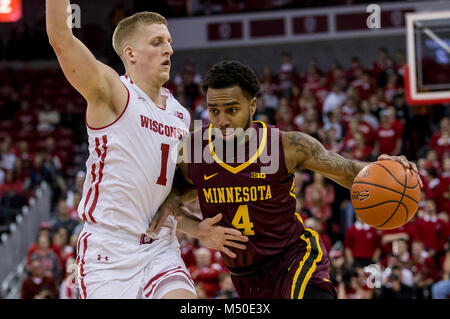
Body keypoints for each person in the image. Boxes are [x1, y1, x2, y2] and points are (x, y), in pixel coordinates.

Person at [148, 60, 421, 299]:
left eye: (232, 110)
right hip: (244, 276)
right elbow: (171, 199)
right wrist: (199, 231)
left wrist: (384, 168)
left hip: (293, 260)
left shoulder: (286, 146)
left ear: (252, 105)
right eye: (213, 110)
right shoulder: (195, 150)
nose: (221, 120)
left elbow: (350, 171)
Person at [46, 1, 247, 299]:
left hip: (160, 248)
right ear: (130, 53)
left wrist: (198, 229)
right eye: (157, 42)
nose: (169, 50)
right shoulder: (114, 93)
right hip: (109, 252)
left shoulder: (180, 115)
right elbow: (61, 37)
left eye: (169, 42)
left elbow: (169, 199)